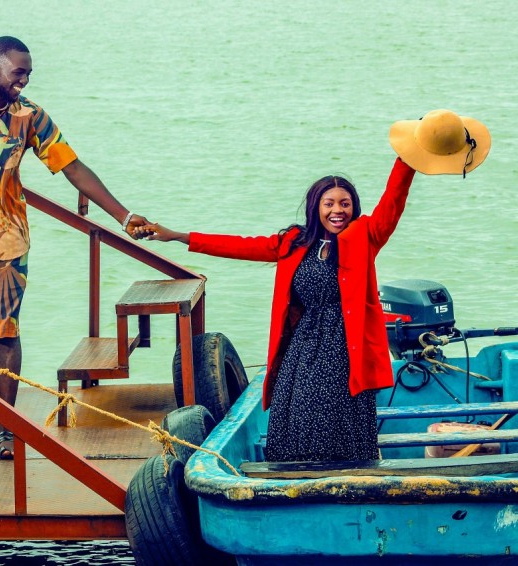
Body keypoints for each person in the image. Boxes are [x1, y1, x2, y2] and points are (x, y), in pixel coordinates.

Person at [139, 109, 490, 462]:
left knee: (337, 418)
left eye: (345, 204)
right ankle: (295, 477)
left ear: (354, 209)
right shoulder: (293, 242)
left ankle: (347, 476)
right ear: (315, 207)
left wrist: (410, 156)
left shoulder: (365, 236)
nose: (337, 210)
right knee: (294, 412)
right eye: (329, 203)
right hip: (302, 345)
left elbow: (393, 199)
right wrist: (178, 236)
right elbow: (240, 245)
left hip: (346, 348)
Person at [0, 36, 150, 464]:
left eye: (28, 73)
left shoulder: (30, 118)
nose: (25, 79)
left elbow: (72, 166)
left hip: (8, 240)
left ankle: (6, 429)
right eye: (18, 71)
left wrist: (123, 215)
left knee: (5, 333)